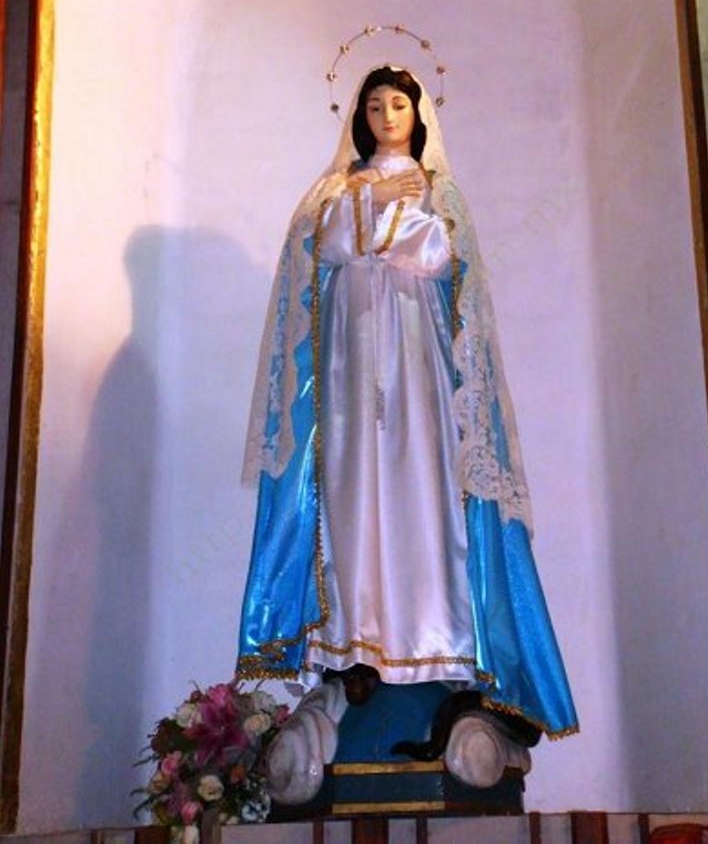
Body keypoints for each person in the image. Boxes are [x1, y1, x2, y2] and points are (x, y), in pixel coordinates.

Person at [237, 65, 578, 743]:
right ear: (358, 116)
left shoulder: (437, 188)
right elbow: (323, 249)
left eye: (398, 103)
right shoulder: (335, 190)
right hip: (349, 368)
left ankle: (435, 641)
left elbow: (437, 256)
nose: (387, 115)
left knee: (422, 487)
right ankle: (356, 644)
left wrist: (381, 220)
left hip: (417, 363)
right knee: (352, 494)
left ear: (418, 113)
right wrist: (370, 205)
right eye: (374, 104)